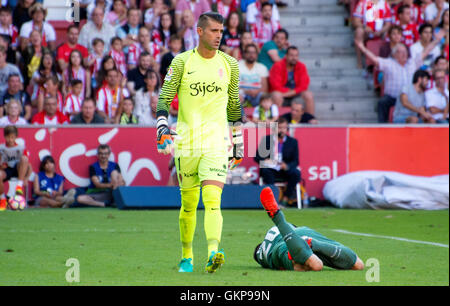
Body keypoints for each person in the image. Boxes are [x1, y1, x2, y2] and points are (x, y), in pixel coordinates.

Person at [156, 12, 243, 273]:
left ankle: (213, 252)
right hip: (187, 143)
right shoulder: (182, 62)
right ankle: (186, 256)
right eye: (214, 31)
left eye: (221, 31)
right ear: (200, 31)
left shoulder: (230, 64)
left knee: (213, 198)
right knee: (189, 204)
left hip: (217, 142)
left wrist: (238, 141)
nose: (219, 35)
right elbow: (164, 98)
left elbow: (234, 106)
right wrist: (161, 127)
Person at [255, 187, 365, 272]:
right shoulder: (273, 235)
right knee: (358, 265)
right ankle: (312, 244)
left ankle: (278, 217)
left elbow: (259, 255)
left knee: (315, 265)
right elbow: (293, 229)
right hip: (303, 233)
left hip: (282, 246)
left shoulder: (261, 255)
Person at [354, 30, 445, 123]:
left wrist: (436, 40)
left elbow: (426, 51)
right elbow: (374, 59)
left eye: (405, 51)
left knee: (422, 103)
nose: (404, 54)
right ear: (394, 54)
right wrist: (361, 46)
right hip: (392, 97)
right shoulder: (389, 63)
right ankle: (382, 128)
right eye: (401, 52)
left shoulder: (412, 63)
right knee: (382, 102)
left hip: (409, 97)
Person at [254, 117, 300, 206]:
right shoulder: (266, 140)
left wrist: (286, 166)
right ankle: (273, 201)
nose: (282, 130)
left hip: (284, 170)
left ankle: (286, 198)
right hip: (271, 169)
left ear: (287, 129)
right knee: (266, 171)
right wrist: (266, 160)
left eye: (284, 128)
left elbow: (296, 161)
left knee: (296, 173)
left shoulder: (293, 142)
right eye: (279, 127)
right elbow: (257, 158)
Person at [269, 46, 316, 114]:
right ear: (286, 56)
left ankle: (310, 119)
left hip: (295, 93)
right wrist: (288, 92)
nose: (294, 58)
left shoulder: (301, 66)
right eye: (291, 55)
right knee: (276, 95)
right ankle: (277, 121)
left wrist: (292, 92)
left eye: (296, 55)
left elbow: (304, 85)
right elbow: (275, 85)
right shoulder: (277, 66)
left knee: (309, 95)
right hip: (281, 93)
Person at [352, 0, 392, 68]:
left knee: (392, 33)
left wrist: (381, 31)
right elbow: (355, 21)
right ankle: (359, 61)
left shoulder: (384, 4)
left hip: (380, 33)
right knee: (359, 32)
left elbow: (388, 24)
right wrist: (365, 27)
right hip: (366, 32)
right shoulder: (362, 3)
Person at [0, 125, 31, 210]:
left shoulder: (21, 148)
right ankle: (2, 200)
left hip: (18, 169)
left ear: (16, 137)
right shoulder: (1, 148)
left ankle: (19, 185)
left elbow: (29, 166)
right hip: (6, 170)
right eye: (8, 137)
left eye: (12, 137)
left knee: (24, 158)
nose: (10, 140)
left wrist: (26, 178)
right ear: (4, 137)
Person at [238, 43, 269, 107]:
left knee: (264, 97)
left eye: (254, 53)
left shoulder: (262, 67)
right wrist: (246, 91)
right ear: (244, 54)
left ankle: (261, 115)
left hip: (257, 94)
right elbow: (233, 85)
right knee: (236, 96)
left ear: (257, 55)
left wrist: (256, 92)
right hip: (242, 92)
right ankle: (239, 116)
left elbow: (264, 87)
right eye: (249, 52)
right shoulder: (237, 65)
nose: (251, 55)